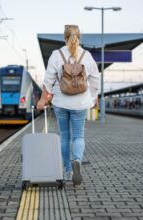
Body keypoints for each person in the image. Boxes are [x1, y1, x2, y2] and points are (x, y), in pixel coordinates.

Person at [37, 25, 100, 186]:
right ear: (80, 37)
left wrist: (43, 100)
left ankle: (67, 170)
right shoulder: (86, 55)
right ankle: (77, 160)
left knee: (64, 136)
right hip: (80, 101)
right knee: (79, 135)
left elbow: (48, 80)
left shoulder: (56, 55)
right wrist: (93, 98)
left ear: (64, 38)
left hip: (61, 101)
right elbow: (95, 79)